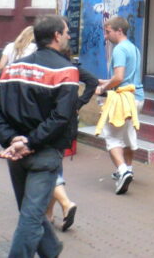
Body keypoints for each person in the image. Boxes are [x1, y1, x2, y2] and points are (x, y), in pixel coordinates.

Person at [0, 15, 78, 258]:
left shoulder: (13, 68)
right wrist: (28, 141)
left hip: (16, 153)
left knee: (29, 212)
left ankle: (51, 249)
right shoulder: (67, 70)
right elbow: (61, 117)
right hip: (43, 152)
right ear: (57, 35)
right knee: (31, 216)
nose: (69, 35)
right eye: (66, 31)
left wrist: (12, 139)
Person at [94, 15, 144, 194]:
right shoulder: (134, 49)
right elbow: (127, 77)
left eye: (108, 32)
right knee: (129, 136)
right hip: (137, 97)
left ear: (119, 31)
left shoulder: (119, 50)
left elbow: (120, 78)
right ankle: (128, 169)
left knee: (112, 137)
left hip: (122, 99)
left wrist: (103, 88)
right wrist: (105, 81)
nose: (106, 37)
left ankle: (122, 171)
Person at [47, 54, 97, 232]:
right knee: (55, 163)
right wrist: (78, 103)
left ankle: (66, 204)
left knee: (50, 168)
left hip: (50, 123)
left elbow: (92, 81)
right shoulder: (70, 67)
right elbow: (92, 81)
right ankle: (49, 214)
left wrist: (79, 102)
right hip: (67, 123)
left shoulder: (53, 66)